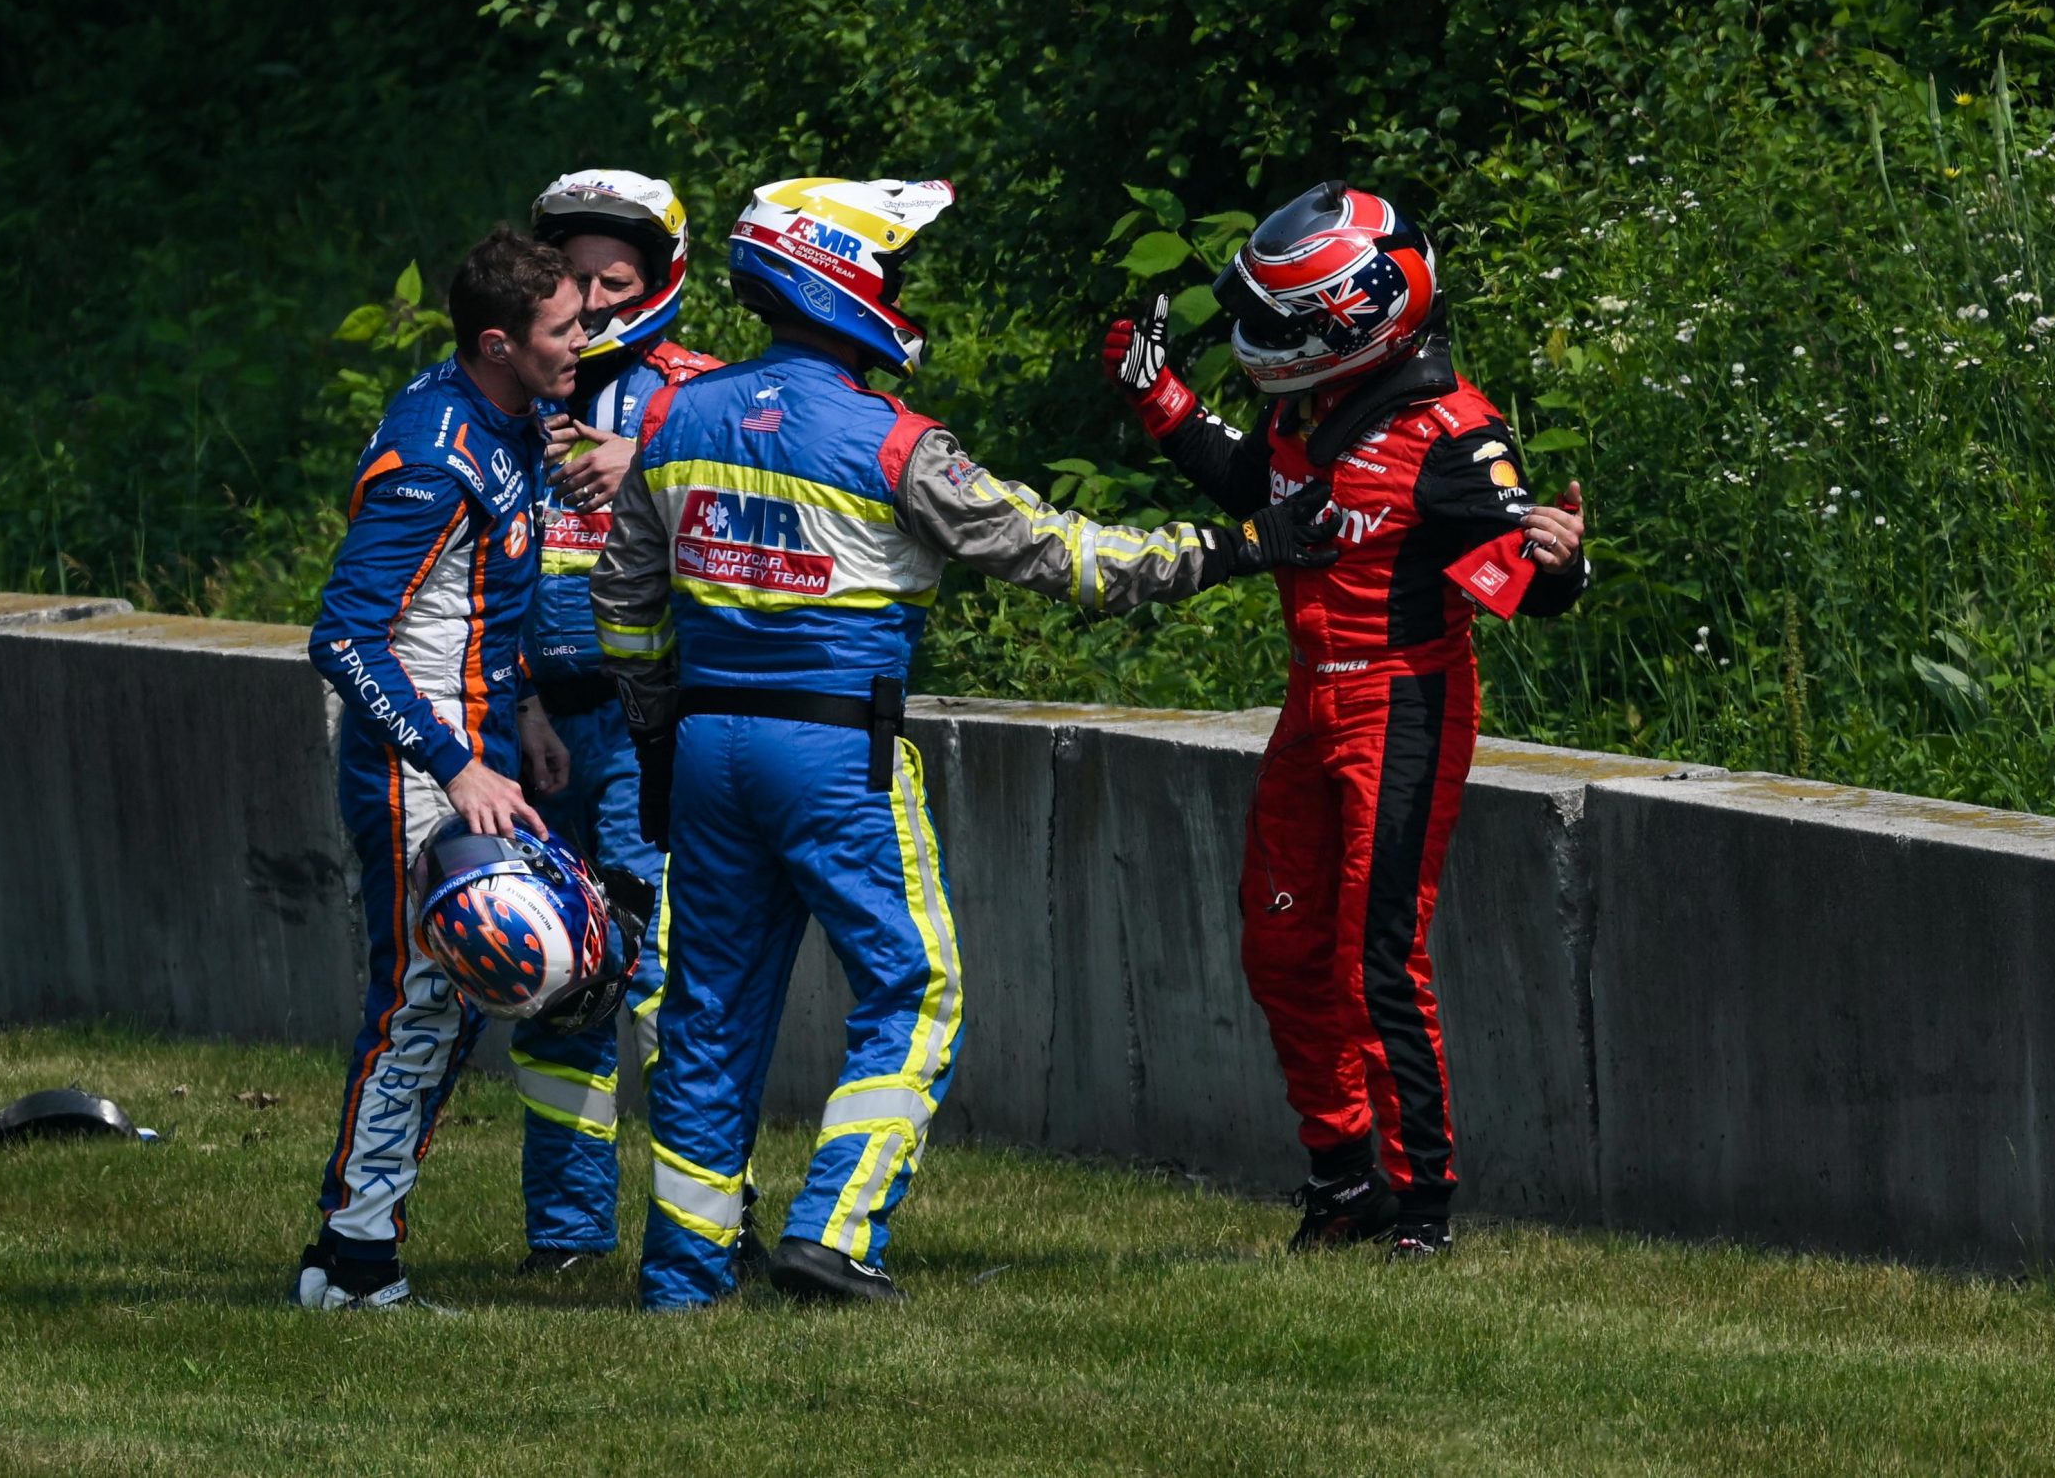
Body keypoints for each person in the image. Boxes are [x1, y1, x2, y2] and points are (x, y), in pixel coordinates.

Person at [591, 176, 1343, 1310]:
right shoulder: (894, 442)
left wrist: (652, 738)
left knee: (705, 1013)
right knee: (916, 988)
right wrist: (1241, 545)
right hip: (835, 753)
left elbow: (623, 600)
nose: (895, 292)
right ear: (838, 277)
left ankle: (684, 1279)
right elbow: (1063, 556)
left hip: (702, 752)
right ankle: (835, 1232)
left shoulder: (670, 417)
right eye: (886, 271)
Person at [1100, 179, 1589, 1262]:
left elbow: (1527, 576)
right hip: (1307, 698)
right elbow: (1250, 484)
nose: (1258, 341)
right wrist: (1156, 395)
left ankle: (1422, 1208)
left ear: (1355, 317)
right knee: (1279, 945)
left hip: (1402, 699)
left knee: (1380, 959)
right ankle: (1340, 1180)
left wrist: (1562, 564)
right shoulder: (1303, 410)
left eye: (1280, 325)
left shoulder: (1454, 436)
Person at [291, 225, 596, 1311]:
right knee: (420, 999)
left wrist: (524, 715)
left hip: (482, 750)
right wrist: (456, 762)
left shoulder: (507, 422)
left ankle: (350, 1246)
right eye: (564, 328)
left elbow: (482, 602)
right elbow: (345, 637)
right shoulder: (432, 457)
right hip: (416, 768)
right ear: (499, 341)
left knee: (447, 1004)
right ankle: (354, 1256)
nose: (585, 339)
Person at [512, 172, 730, 1273]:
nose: (591, 299)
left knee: (665, 982)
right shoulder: (512, 385)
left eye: (615, 279)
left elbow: (774, 489)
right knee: (554, 976)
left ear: (659, 282)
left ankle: (694, 1240)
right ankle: (565, 1239)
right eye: (572, 277)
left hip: (660, 728)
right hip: (542, 729)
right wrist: (520, 702)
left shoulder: (700, 396)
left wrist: (646, 461)